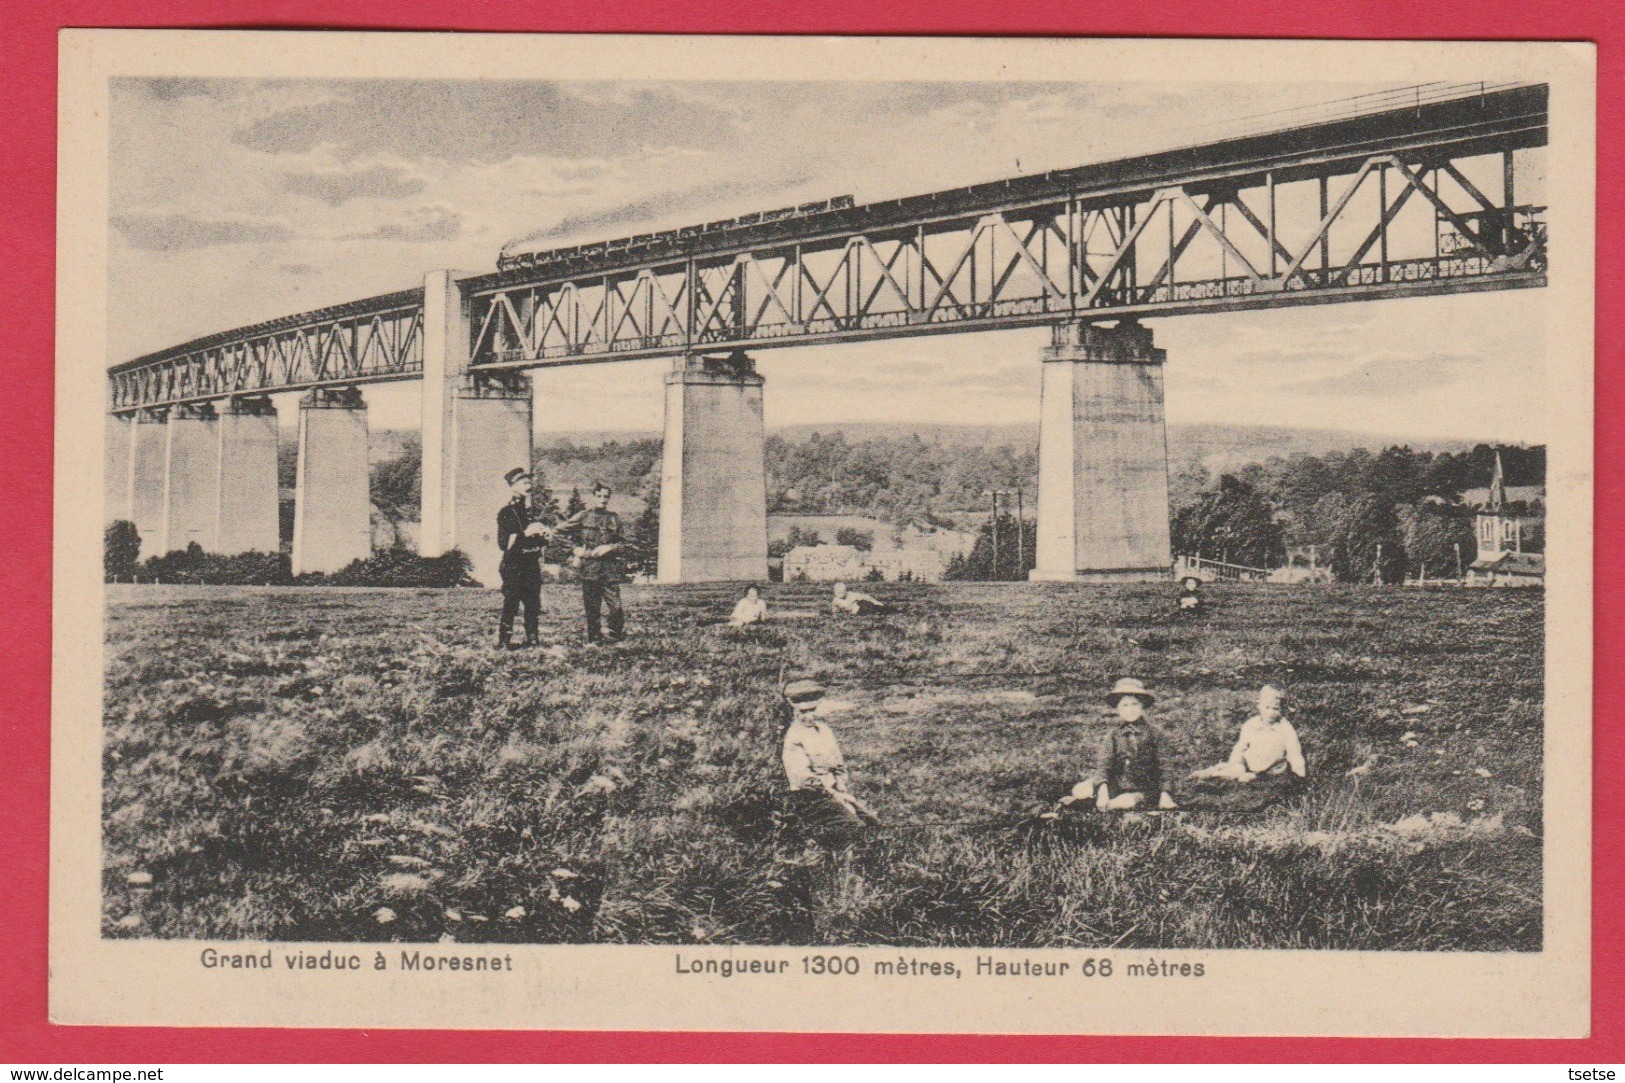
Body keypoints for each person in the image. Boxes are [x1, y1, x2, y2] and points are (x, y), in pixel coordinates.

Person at [780, 678, 881, 839]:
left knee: (874, 824)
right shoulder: (794, 738)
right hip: (811, 799)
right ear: (794, 710)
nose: (809, 716)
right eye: (803, 712)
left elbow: (838, 764)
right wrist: (835, 795)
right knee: (857, 829)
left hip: (834, 792)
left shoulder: (824, 731)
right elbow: (803, 780)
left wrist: (841, 788)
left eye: (812, 710)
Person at [1064, 678, 1178, 811]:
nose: (1130, 709)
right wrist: (1103, 791)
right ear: (1118, 709)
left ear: (1142, 706)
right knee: (1080, 790)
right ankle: (1092, 801)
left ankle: (1095, 804)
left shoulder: (1154, 733)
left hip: (1144, 788)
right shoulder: (1114, 734)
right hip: (1116, 785)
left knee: (1123, 803)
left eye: (1134, 704)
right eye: (1125, 705)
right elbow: (1104, 765)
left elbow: (1165, 767)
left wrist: (1165, 794)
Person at [553, 481, 627, 644]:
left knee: (616, 607)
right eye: (599, 496)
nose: (603, 499)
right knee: (592, 608)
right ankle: (595, 639)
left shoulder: (614, 519)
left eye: (606, 496)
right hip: (590, 569)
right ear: (593, 497)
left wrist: (610, 547)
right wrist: (574, 549)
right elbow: (558, 532)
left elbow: (624, 544)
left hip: (609, 570)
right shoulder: (583, 516)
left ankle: (615, 635)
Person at [1190, 685, 1307, 782]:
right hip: (1249, 762)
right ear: (1259, 706)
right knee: (1237, 769)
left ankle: (1220, 773)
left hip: (1270, 769)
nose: (1270, 713)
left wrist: (1300, 773)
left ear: (1282, 709)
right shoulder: (1252, 724)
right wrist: (1234, 762)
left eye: (1275, 709)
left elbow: (1294, 752)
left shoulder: (1285, 729)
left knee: (1245, 778)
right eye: (1267, 707)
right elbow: (1241, 746)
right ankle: (1212, 774)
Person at [495, 467, 550, 649]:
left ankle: (532, 639)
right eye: (525, 482)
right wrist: (526, 533)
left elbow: (537, 540)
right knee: (511, 603)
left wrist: (544, 536)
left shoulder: (531, 512)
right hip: (514, 566)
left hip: (531, 565)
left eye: (529, 482)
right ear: (514, 487)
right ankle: (504, 640)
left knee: (533, 604)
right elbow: (504, 544)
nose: (529, 485)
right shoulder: (507, 513)